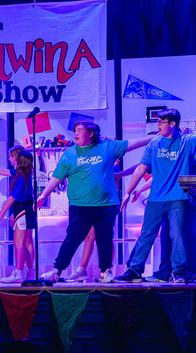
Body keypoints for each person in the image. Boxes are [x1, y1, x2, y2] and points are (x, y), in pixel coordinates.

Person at [115, 106, 196, 283]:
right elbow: (140, 169)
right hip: (155, 199)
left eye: (161, 122)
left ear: (172, 123)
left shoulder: (186, 141)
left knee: (178, 236)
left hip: (179, 198)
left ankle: (179, 273)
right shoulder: (154, 143)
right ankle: (134, 271)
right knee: (146, 235)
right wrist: (129, 191)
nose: (158, 125)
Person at [36, 121, 155, 283]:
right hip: (80, 206)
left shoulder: (108, 146)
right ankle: (57, 271)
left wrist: (155, 137)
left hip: (106, 205)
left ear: (91, 133)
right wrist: (43, 195)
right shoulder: (69, 154)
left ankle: (105, 272)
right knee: (72, 238)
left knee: (104, 238)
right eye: (75, 131)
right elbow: (56, 177)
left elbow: (132, 144)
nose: (75, 134)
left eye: (79, 130)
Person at [0, 151, 36, 283]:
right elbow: (3, 171)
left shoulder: (22, 178)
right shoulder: (22, 175)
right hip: (22, 210)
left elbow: (12, 199)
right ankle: (31, 271)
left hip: (23, 210)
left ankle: (18, 273)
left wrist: (0, 216)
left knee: (19, 243)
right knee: (23, 243)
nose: (12, 159)